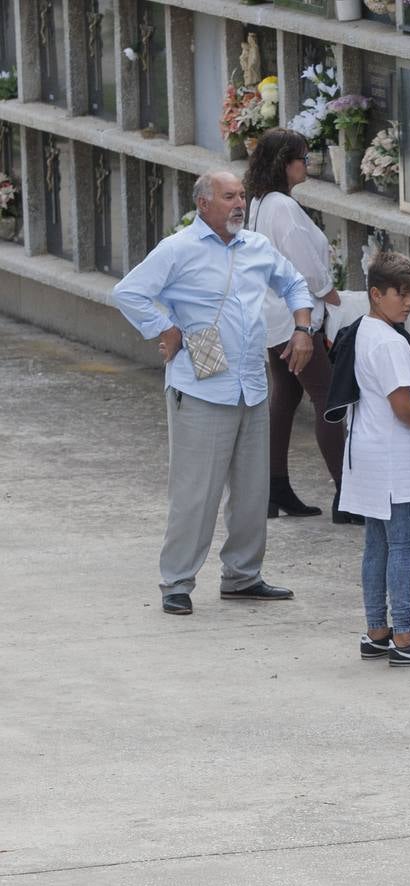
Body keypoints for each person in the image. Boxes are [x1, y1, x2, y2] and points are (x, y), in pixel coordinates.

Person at [111, 171, 314, 616]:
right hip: (200, 387)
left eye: (242, 195)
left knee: (252, 491)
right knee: (195, 491)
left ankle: (242, 576)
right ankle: (177, 582)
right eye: (229, 197)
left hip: (250, 386)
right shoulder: (179, 249)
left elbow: (296, 284)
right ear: (204, 204)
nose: (239, 203)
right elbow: (129, 292)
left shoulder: (258, 247)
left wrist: (301, 329)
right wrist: (164, 327)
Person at [335, 252, 410, 666]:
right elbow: (402, 407)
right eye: (399, 295)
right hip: (390, 457)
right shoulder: (390, 341)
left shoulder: (365, 330)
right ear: (375, 293)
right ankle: (405, 639)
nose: (407, 303)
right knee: (403, 546)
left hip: (364, 452)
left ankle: (377, 632)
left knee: (377, 546)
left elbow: (391, 395)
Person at [242, 128, 354, 524]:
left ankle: (274, 489)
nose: (307, 165)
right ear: (284, 164)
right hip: (295, 321)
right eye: (303, 159)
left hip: (270, 317)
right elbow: (303, 265)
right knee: (328, 397)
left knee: (285, 396)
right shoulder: (282, 208)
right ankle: (348, 494)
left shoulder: (258, 202)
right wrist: (330, 292)